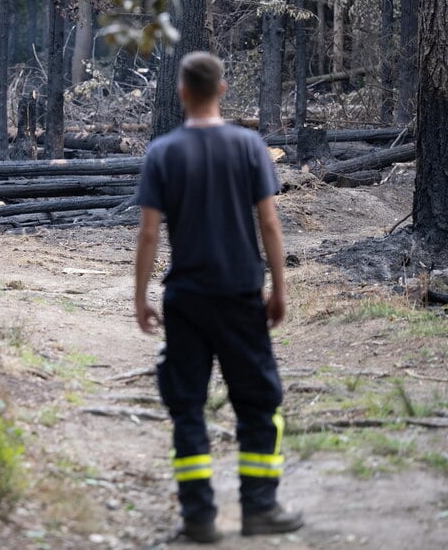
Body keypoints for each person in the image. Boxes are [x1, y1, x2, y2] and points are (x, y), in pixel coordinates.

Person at [134, 52, 304, 543]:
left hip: (185, 296)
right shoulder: (249, 146)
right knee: (257, 401)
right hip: (240, 294)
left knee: (186, 405)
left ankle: (199, 517)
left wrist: (141, 296)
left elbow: (148, 234)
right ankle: (259, 509)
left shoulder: (162, 153)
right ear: (222, 90)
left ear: (183, 93)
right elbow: (268, 222)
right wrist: (278, 286)